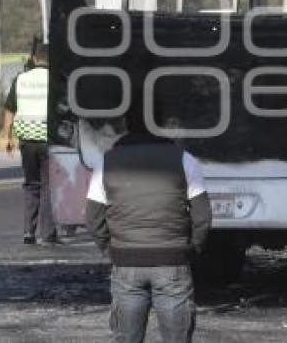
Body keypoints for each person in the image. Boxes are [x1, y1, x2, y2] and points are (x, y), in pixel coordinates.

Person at [85, 107, 211, 343]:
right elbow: (202, 216)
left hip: (126, 265)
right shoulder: (184, 159)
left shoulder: (107, 162)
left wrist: (111, 250)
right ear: (160, 125)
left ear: (127, 125)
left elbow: (93, 218)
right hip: (172, 263)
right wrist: (190, 249)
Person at [2, 43, 57, 245]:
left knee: (31, 185)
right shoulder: (56, 80)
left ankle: (28, 232)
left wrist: (7, 137)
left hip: (26, 142)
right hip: (49, 141)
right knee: (49, 187)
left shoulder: (21, 80)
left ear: (34, 59)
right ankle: (48, 233)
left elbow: (10, 109)